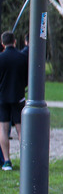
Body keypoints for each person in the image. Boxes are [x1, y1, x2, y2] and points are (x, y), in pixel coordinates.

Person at [0, 31, 29, 171]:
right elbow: (26, 77)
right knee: (20, 129)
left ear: (2, 43)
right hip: (18, 96)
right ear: (15, 41)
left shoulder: (1, 58)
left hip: (2, 98)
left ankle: (6, 161)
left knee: (4, 129)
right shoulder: (21, 57)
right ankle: (25, 160)